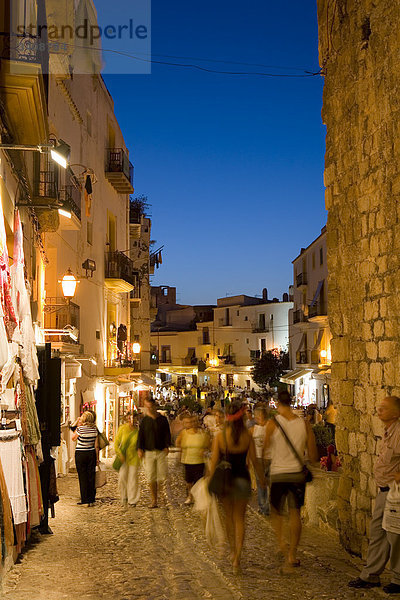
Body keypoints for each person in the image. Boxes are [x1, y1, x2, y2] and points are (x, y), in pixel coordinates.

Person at [348, 396, 400, 594]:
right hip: (384, 491)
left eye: (384, 408)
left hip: (394, 492)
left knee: (395, 535)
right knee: (378, 531)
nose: (379, 411)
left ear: (395, 413)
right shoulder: (389, 431)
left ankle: (397, 577)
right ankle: (370, 575)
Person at [209, 401, 265, 573]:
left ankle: (232, 550)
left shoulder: (220, 436)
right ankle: (237, 559)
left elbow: (213, 462)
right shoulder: (247, 436)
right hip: (242, 479)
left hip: (225, 480)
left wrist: (209, 481)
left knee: (228, 518)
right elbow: (255, 461)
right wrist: (262, 480)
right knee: (240, 519)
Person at [264, 390, 317, 569]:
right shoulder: (304, 424)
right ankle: (292, 554)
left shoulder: (272, 424)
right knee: (295, 514)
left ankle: (281, 543)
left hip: (278, 473)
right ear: (292, 403)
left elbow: (264, 449)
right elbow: (313, 453)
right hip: (296, 474)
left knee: (276, 511)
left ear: (278, 403)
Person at [137, 397, 171, 508]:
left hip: (160, 450)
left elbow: (167, 433)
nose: (149, 409)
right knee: (151, 476)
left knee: (161, 476)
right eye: (147, 407)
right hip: (149, 451)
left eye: (150, 406)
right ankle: (154, 500)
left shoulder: (162, 419)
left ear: (154, 406)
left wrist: (167, 445)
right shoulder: (145, 421)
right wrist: (139, 448)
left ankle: (161, 495)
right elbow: (141, 435)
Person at [176, 414, 210, 504]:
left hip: (199, 460)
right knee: (189, 481)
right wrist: (181, 450)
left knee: (198, 480)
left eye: (195, 421)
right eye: (191, 422)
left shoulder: (203, 433)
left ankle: (198, 497)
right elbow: (178, 442)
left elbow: (209, 445)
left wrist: (204, 450)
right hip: (188, 459)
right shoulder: (184, 432)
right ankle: (190, 496)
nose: (193, 423)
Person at [71, 411, 99, 507]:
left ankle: (85, 500)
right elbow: (96, 445)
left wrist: (78, 426)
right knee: (91, 477)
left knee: (82, 477)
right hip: (91, 453)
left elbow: (73, 438)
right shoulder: (94, 429)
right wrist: (97, 458)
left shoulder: (81, 429)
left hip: (81, 453)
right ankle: (91, 499)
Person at [114, 412, 140, 506]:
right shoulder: (122, 429)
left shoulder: (138, 431)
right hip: (123, 457)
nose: (131, 421)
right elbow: (116, 443)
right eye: (130, 418)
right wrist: (119, 454)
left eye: (133, 418)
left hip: (134, 457)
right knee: (122, 477)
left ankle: (133, 499)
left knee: (133, 478)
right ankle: (124, 496)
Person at [249, 404, 270, 515]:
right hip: (258, 458)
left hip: (268, 458)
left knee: (268, 482)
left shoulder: (270, 427)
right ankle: (263, 507)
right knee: (260, 483)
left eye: (258, 415)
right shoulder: (253, 429)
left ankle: (267, 506)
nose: (256, 417)